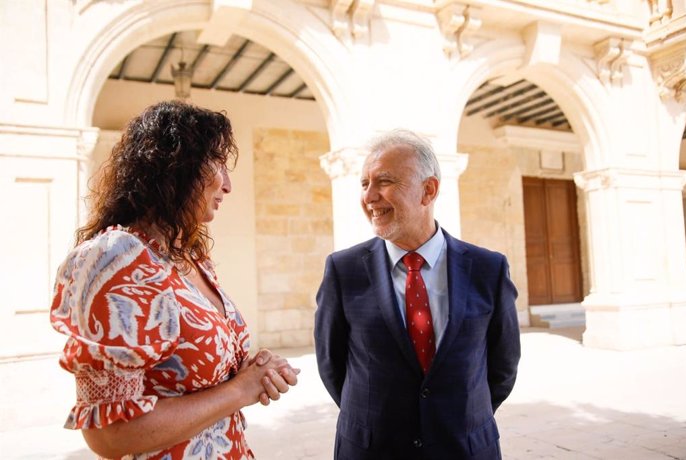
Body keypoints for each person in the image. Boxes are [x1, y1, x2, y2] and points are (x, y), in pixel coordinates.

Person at [50, 100, 299, 460]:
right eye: (217, 164)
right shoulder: (116, 257)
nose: (228, 185)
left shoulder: (189, 258)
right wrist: (239, 391)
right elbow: (109, 435)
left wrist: (253, 371)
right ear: (175, 168)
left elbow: (192, 375)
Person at [314, 129, 521, 459]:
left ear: (428, 190)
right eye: (364, 184)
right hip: (373, 450)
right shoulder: (343, 270)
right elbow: (331, 365)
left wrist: (455, 420)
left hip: (464, 448)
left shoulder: (488, 269)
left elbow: (502, 367)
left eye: (384, 181)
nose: (369, 196)